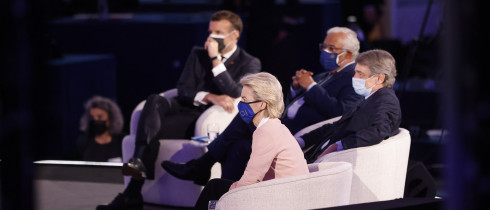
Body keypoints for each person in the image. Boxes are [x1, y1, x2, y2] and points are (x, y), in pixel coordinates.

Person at [96, 10, 260, 210]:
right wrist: (209, 96)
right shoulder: (198, 54)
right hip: (186, 106)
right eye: (210, 31)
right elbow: (183, 89)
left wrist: (216, 60)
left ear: (234, 35)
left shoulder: (250, 62)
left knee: (151, 130)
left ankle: (131, 195)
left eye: (218, 32)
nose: (211, 37)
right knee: (154, 101)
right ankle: (138, 160)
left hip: (205, 118)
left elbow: (235, 92)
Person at [162, 26, 362, 184]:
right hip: (284, 123)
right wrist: (295, 89)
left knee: (245, 114)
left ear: (349, 53)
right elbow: (296, 103)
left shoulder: (352, 77)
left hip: (297, 134)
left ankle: (201, 167)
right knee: (238, 147)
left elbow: (340, 113)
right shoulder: (324, 75)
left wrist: (310, 87)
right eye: (323, 47)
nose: (325, 52)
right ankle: (224, 197)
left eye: (332, 49)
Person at [194, 72, 309, 210]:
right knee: (218, 186)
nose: (240, 105)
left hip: (282, 198)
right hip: (283, 192)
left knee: (214, 187)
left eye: (244, 100)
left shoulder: (267, 132)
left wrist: (229, 195)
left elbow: (251, 181)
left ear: (262, 104)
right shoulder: (273, 126)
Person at [299, 49, 401, 163]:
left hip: (329, 163)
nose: (354, 77)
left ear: (379, 78)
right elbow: (337, 126)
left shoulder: (386, 100)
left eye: (360, 74)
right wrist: (301, 140)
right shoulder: (370, 97)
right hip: (314, 155)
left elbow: (379, 131)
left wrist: (339, 145)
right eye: (355, 72)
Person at [77, 95, 125, 162]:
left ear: (111, 118)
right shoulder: (83, 142)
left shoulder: (122, 142)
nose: (95, 120)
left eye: (100, 117)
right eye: (92, 117)